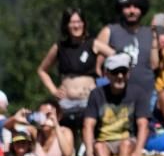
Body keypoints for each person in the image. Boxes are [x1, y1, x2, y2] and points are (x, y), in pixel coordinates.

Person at [36, 8, 115, 141]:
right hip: (66, 103)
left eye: (79, 22)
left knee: (91, 136)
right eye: (72, 22)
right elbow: (42, 70)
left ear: (84, 24)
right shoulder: (60, 47)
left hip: (88, 100)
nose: (76, 25)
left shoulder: (93, 43)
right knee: (66, 138)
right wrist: (53, 90)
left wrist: (104, 82)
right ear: (66, 25)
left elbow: (116, 58)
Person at [82, 53, 150, 156]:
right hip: (104, 141)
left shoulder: (138, 93)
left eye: (123, 72)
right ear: (107, 74)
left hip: (126, 140)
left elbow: (143, 124)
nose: (119, 76)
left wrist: (138, 150)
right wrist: (89, 150)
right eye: (115, 72)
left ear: (128, 73)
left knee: (126, 145)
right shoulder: (96, 94)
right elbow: (88, 125)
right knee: (98, 147)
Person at [97, 0, 159, 105]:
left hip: (147, 97)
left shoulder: (150, 33)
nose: (132, 11)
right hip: (115, 100)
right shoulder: (110, 31)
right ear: (121, 9)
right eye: (127, 7)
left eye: (136, 7)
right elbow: (97, 67)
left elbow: (154, 65)